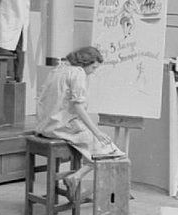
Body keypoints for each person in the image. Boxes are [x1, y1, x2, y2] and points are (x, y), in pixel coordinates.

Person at [35, 46, 125, 199]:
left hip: (46, 126)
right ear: (85, 63)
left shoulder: (58, 69)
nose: (93, 71)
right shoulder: (78, 73)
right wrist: (97, 132)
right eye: (93, 67)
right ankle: (75, 177)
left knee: (97, 148)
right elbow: (78, 107)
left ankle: (76, 177)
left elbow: (43, 100)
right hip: (61, 127)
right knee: (112, 152)